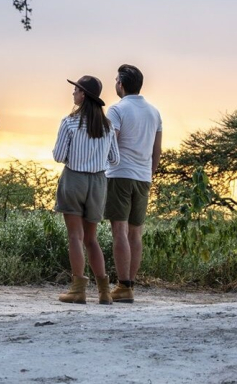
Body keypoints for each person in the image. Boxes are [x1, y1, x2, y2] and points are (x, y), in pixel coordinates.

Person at [52, 76, 119, 305]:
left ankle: (78, 290)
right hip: (98, 183)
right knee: (92, 239)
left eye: (76, 90)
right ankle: (104, 292)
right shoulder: (107, 125)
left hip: (74, 180)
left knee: (75, 237)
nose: (73, 94)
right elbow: (115, 159)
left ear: (83, 95)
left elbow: (59, 156)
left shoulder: (69, 122)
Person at [104, 64, 162, 303]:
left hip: (119, 174)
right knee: (135, 232)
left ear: (121, 84)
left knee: (119, 230)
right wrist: (149, 172)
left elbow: (111, 143)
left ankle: (123, 285)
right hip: (143, 176)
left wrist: (104, 166)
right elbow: (157, 150)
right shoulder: (154, 112)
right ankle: (130, 284)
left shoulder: (116, 110)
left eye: (116, 79)